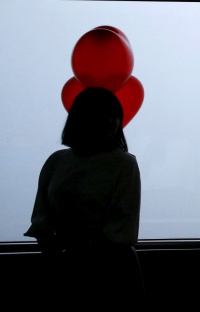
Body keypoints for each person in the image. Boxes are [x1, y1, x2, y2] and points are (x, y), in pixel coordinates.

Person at [25, 87, 144, 305]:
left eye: (114, 114)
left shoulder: (59, 162)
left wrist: (59, 252)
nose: (111, 121)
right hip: (90, 266)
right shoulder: (121, 164)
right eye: (103, 115)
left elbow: (41, 219)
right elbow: (119, 228)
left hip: (107, 270)